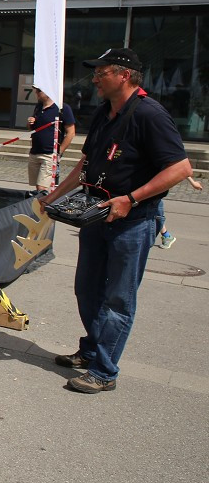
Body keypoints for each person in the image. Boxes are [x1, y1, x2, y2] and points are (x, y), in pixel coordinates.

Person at [40, 47, 192, 394]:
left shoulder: (151, 115)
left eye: (101, 72)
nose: (94, 78)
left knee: (118, 299)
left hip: (133, 219)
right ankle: (92, 349)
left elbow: (181, 168)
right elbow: (85, 166)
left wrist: (132, 198)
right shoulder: (105, 113)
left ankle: (104, 371)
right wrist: (52, 197)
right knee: (86, 289)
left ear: (124, 75)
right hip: (96, 216)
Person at [26, 85, 76, 191]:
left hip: (49, 154)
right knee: (37, 187)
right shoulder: (38, 107)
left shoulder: (62, 108)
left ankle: (42, 206)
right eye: (36, 91)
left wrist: (59, 151)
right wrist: (31, 122)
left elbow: (71, 132)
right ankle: (38, 206)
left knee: (41, 187)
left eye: (39, 91)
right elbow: (33, 129)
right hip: (35, 151)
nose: (36, 94)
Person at [156, 176, 203, 249]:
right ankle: (166, 236)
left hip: (155, 188)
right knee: (154, 212)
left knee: (155, 211)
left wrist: (193, 183)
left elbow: (181, 167)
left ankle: (166, 236)